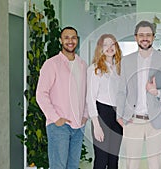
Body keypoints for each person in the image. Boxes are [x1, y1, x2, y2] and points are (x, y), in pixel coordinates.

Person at [116, 20, 161, 169]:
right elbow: (122, 91)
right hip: (132, 120)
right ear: (136, 37)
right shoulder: (126, 61)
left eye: (148, 35)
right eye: (141, 35)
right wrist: (119, 115)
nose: (145, 38)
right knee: (131, 164)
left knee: (155, 164)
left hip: (156, 120)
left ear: (154, 37)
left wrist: (157, 92)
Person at [36, 26, 88, 168]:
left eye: (73, 37)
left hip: (78, 126)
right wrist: (56, 118)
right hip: (59, 126)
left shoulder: (83, 65)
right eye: (66, 37)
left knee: (73, 166)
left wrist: (85, 115)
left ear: (77, 40)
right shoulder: (51, 64)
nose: (70, 41)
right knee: (58, 166)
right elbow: (41, 94)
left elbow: (86, 93)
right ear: (60, 40)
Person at [86, 34, 123, 169]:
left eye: (112, 44)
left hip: (117, 116)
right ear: (100, 48)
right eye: (105, 44)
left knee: (114, 159)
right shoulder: (95, 69)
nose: (109, 47)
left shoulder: (119, 69)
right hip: (102, 115)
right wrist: (96, 125)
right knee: (101, 159)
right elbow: (90, 98)